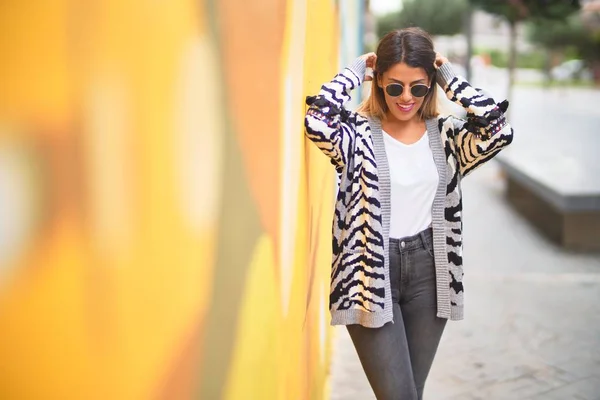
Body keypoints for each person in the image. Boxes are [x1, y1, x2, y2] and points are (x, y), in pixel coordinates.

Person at [304, 27, 513, 400]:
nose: (405, 97)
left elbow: (497, 131)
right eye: (394, 86)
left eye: (418, 87)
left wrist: (450, 77)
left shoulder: (448, 135)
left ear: (430, 85)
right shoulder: (355, 134)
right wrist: (354, 71)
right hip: (367, 271)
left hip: (429, 273)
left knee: (410, 393)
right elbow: (317, 122)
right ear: (378, 81)